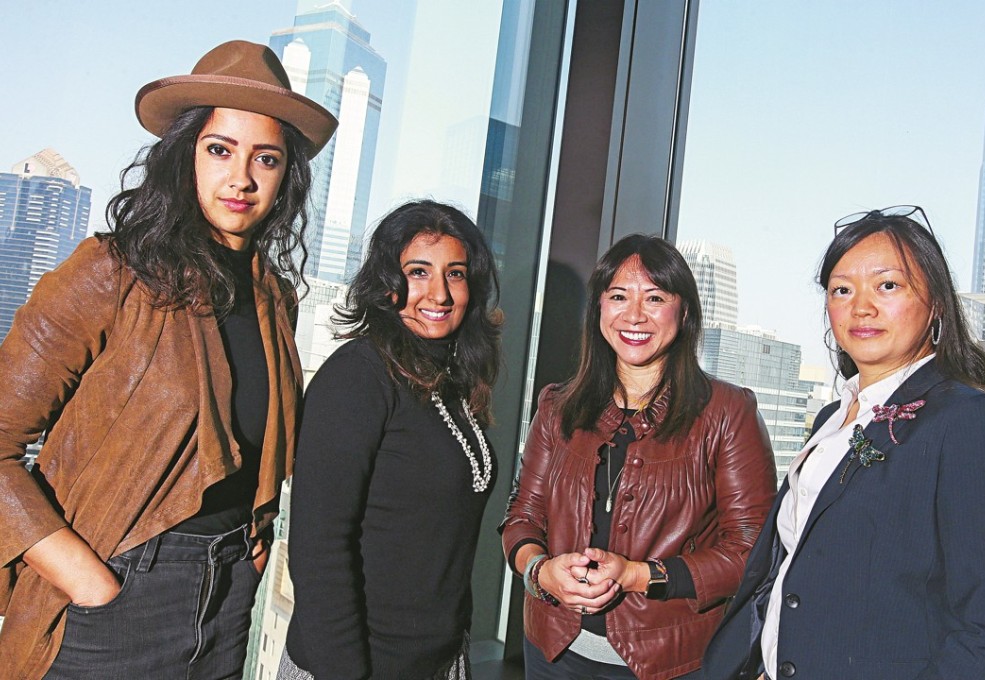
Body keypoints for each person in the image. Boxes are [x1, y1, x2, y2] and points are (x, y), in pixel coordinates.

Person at [0, 40, 338, 679]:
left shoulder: (274, 298)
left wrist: (254, 546)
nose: (241, 177)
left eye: (265, 158)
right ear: (184, 157)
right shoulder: (111, 271)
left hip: (231, 592)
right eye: (219, 150)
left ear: (284, 175)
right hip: (117, 590)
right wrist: (89, 579)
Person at [703, 206, 985, 680]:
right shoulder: (834, 416)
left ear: (934, 302)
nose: (861, 306)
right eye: (842, 290)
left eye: (887, 285)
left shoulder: (969, 422)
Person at [501, 234, 777, 680]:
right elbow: (522, 516)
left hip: (672, 663)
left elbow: (752, 550)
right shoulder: (558, 405)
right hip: (552, 653)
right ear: (599, 309)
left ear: (683, 311)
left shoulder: (728, 412)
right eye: (618, 297)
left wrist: (638, 575)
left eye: (654, 298)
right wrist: (540, 571)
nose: (634, 315)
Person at [280, 200, 502, 680]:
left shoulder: (454, 380)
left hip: (441, 660)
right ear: (387, 283)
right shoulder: (358, 375)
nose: (439, 293)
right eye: (419, 271)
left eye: (456, 274)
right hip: (356, 665)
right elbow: (318, 548)